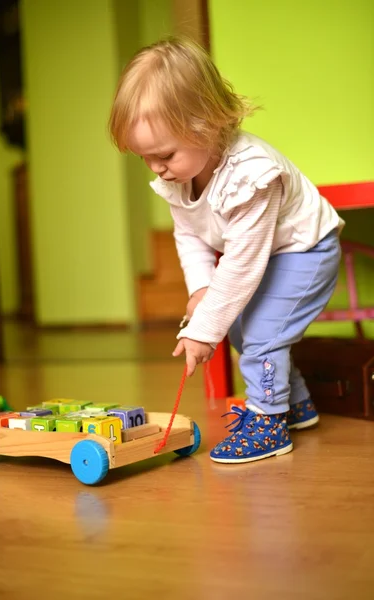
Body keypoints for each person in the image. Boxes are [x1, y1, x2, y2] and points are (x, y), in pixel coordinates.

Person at [109, 37, 344, 464]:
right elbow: (190, 234)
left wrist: (201, 330)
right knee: (238, 328)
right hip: (263, 256)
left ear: (208, 124)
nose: (157, 168)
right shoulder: (179, 176)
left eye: (164, 154)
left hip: (306, 252)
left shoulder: (251, 174)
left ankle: (269, 422)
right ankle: (297, 404)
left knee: (261, 334)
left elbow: (241, 264)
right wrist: (200, 291)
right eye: (145, 158)